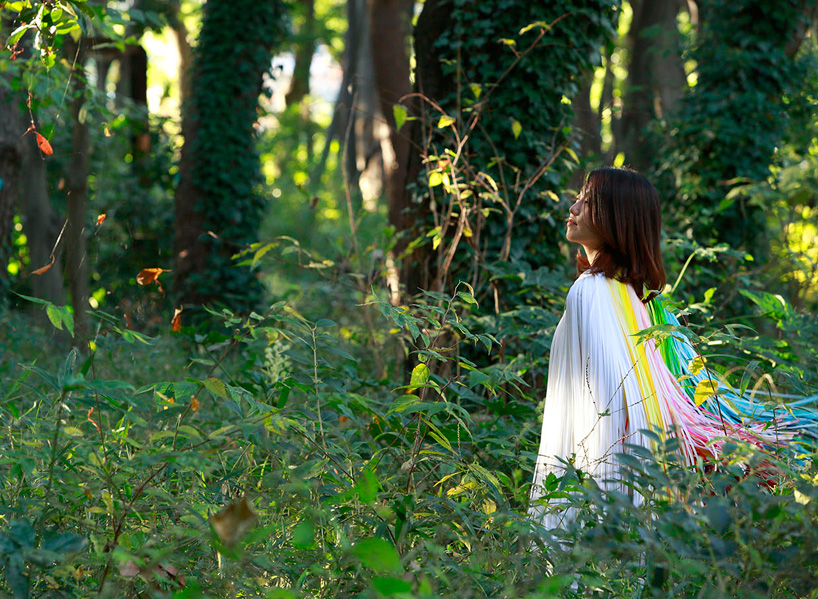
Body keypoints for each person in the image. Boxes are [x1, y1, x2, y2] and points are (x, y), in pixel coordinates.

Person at [527, 167, 815, 530]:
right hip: (636, 486)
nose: (573, 207)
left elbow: (611, 405)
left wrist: (604, 506)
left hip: (611, 490)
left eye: (588, 201)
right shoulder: (633, 295)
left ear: (615, 217)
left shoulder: (593, 290)